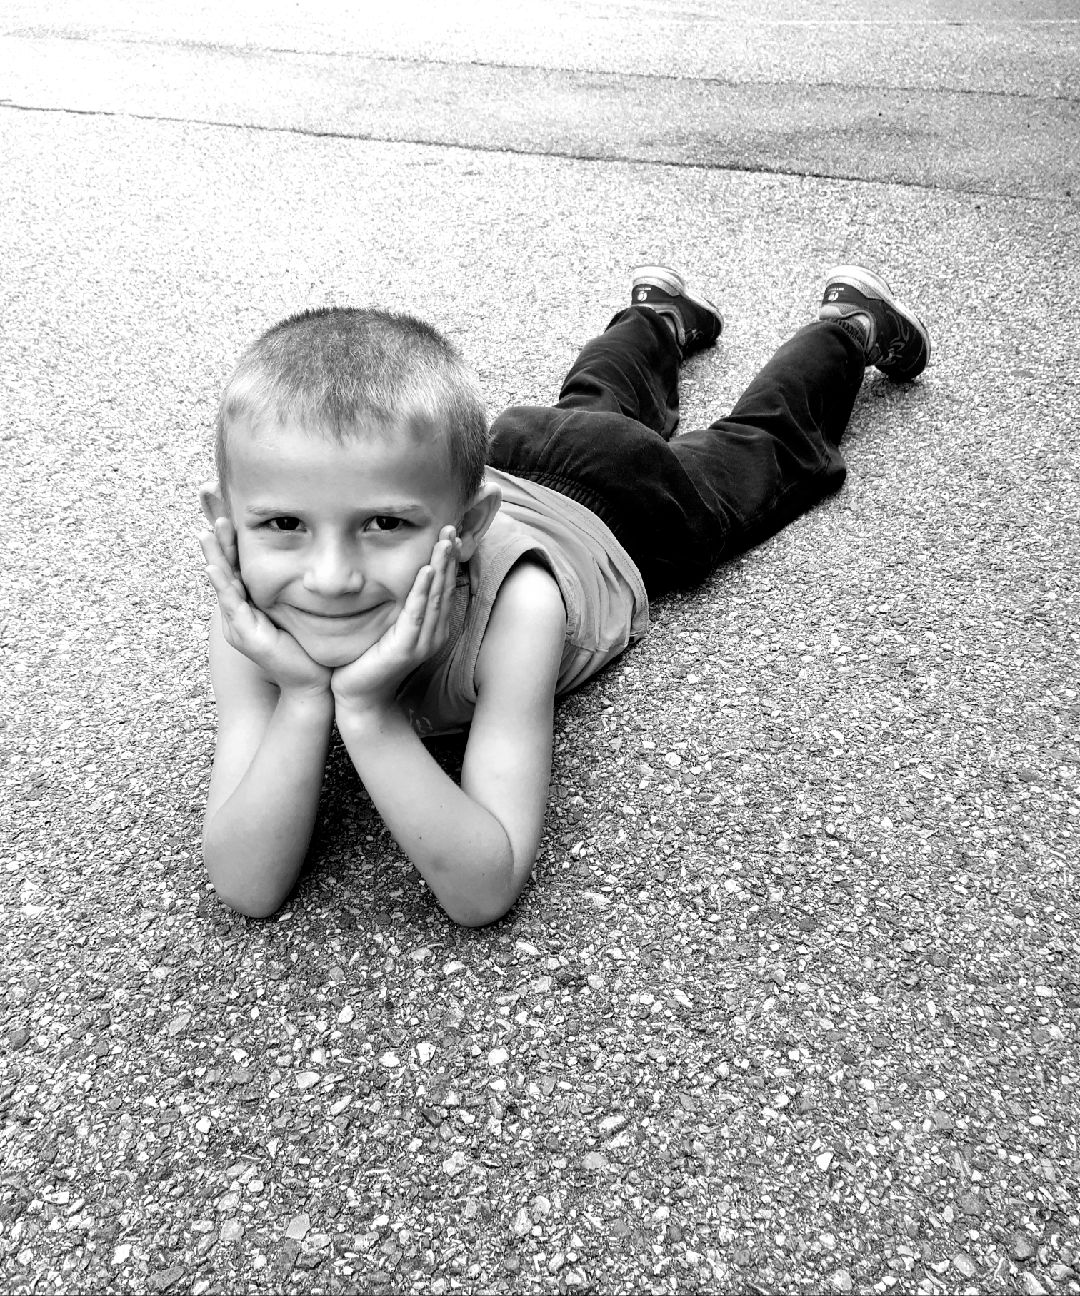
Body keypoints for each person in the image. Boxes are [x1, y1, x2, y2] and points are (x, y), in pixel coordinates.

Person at [199, 264, 930, 926]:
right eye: (284, 524)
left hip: (631, 504)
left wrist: (361, 709)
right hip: (511, 454)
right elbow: (246, 885)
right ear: (230, 530)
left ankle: (847, 328)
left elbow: (483, 890)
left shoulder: (520, 608)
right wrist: (301, 698)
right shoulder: (255, 614)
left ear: (468, 527)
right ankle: (658, 316)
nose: (330, 578)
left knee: (763, 447)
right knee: (594, 402)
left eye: (384, 525)